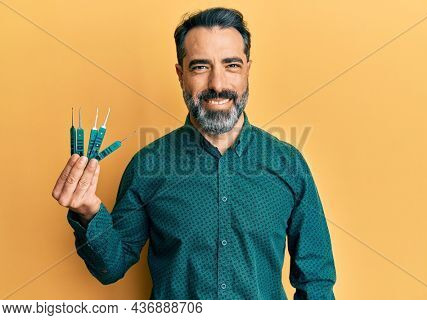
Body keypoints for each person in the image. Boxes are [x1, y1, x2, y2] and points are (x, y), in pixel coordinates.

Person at [52, 7, 336, 300]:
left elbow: (316, 281)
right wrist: (88, 213)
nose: (217, 84)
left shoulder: (289, 165)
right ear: (180, 74)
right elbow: (111, 267)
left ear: (247, 70)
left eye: (232, 65)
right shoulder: (147, 166)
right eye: (201, 67)